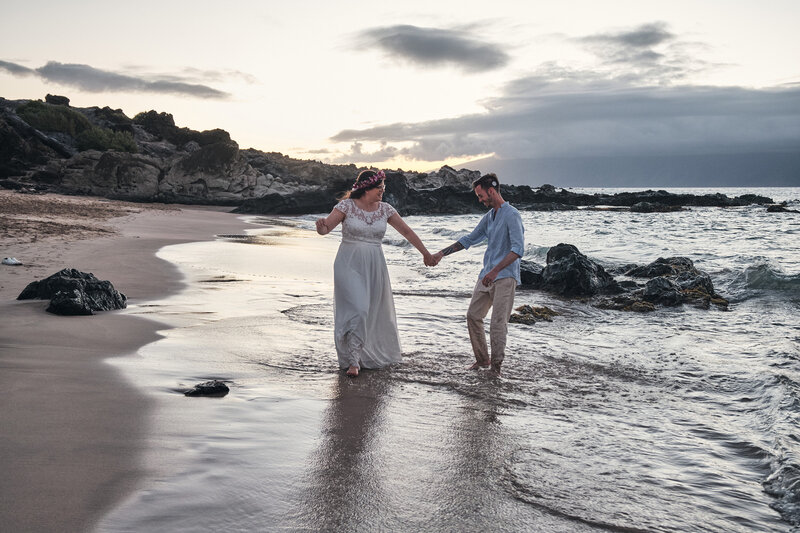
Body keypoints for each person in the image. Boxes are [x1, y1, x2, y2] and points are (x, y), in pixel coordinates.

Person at [316, 169, 434, 377]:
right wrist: (320, 228)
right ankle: (353, 361)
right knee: (359, 310)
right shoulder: (346, 206)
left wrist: (426, 253)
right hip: (348, 263)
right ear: (366, 188)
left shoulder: (386, 209)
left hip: (375, 264)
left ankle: (365, 355)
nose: (382, 191)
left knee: (371, 312)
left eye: (383, 188)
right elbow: (326, 229)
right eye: (379, 188)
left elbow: (406, 231)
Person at [431, 173, 524, 375]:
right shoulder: (489, 217)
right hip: (487, 276)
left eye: (481, 196)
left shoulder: (512, 215)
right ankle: (482, 360)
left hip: (505, 277)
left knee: (498, 324)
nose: (480, 200)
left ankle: (496, 369)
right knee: (473, 315)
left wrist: (495, 270)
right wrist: (441, 254)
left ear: (491, 191)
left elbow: (518, 250)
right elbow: (469, 239)